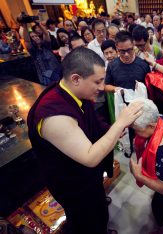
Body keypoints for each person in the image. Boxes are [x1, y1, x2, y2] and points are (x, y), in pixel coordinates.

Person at [27, 47, 143, 234]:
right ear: (75, 78)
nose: (101, 87)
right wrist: (119, 124)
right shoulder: (54, 116)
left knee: (98, 209)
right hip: (72, 182)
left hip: (88, 176)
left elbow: (92, 122)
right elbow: (89, 157)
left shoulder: (75, 92)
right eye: (97, 81)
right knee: (84, 220)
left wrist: (109, 130)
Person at [129, 98, 163, 234]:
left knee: (159, 206)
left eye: (137, 130)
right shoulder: (160, 117)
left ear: (151, 126)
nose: (136, 133)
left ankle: (161, 227)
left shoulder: (161, 150)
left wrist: (138, 175)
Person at [22, 21, 61, 85]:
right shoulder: (33, 51)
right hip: (46, 77)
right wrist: (24, 24)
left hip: (57, 72)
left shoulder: (46, 45)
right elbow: (26, 40)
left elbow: (46, 34)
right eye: (32, 37)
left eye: (36, 36)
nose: (35, 37)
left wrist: (38, 24)